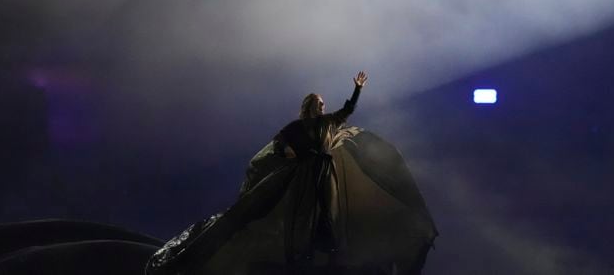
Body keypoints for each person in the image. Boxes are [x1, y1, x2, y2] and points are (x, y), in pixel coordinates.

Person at [146, 72, 436, 275]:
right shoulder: (295, 128)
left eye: (322, 103)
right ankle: (301, 247)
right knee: (287, 209)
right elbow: (280, 145)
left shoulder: (327, 122)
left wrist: (358, 88)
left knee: (327, 208)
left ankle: (325, 242)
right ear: (309, 106)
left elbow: (347, 109)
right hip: (302, 171)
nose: (322, 106)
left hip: (322, 168)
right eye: (318, 103)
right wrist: (292, 156)